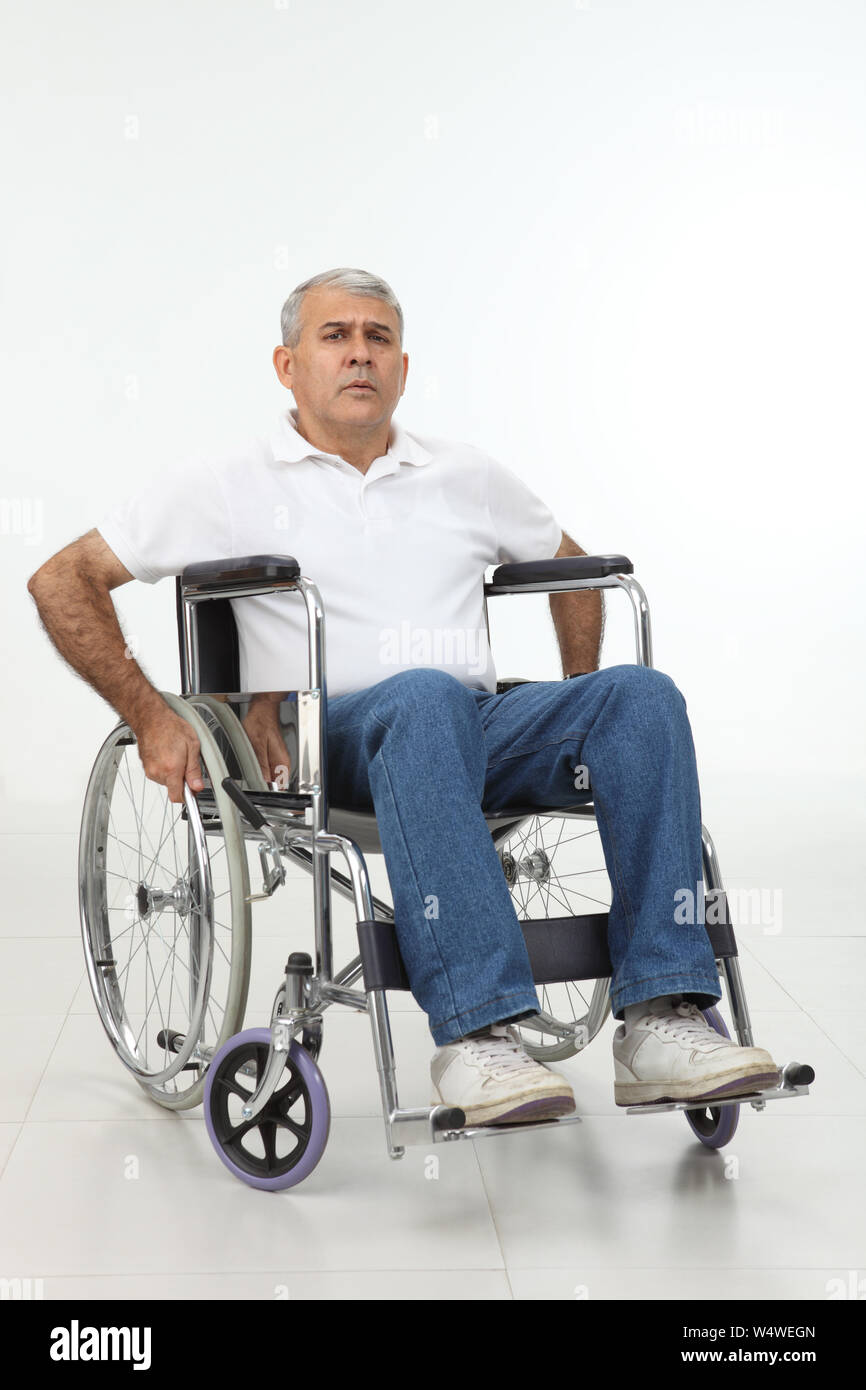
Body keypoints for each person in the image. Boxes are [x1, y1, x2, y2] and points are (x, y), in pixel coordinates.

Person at [27, 266, 780, 1127]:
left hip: (477, 723)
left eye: (377, 338)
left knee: (641, 698)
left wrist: (582, 708)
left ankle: (661, 1018)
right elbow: (63, 579)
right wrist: (152, 715)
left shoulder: (462, 473)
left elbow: (576, 571)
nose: (359, 355)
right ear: (287, 365)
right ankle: (477, 1036)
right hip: (331, 738)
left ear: (403, 366)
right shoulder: (227, 480)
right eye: (335, 337)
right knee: (422, 696)